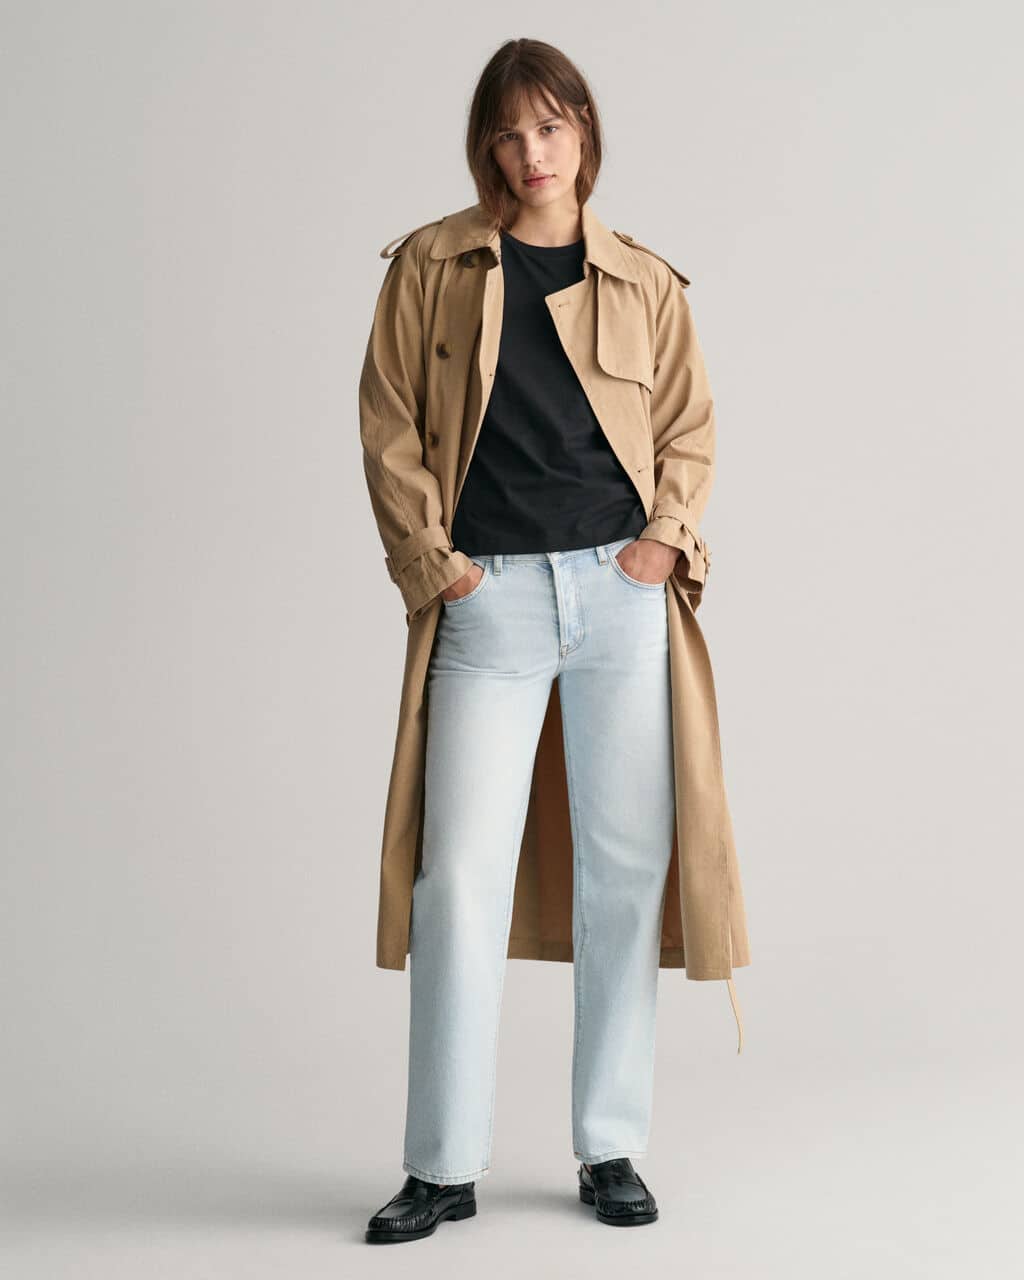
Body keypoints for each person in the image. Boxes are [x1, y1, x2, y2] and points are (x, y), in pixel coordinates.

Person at [358, 38, 750, 1244]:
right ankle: (441, 1163)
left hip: (619, 596)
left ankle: (610, 1143)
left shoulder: (643, 279)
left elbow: (689, 426)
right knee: (456, 878)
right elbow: (388, 425)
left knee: (624, 871)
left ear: (584, 131)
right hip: (491, 600)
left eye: (551, 126)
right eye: (508, 131)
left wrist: (663, 543)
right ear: (486, 144)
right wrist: (442, 570)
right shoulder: (432, 264)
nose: (531, 152)